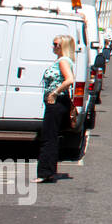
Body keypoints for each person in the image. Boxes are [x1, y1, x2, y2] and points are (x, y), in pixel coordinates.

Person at [37, 35, 77, 183]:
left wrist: (54, 93)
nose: (53, 46)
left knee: (48, 138)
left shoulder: (63, 61)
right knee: (50, 137)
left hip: (56, 102)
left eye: (56, 44)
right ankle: (49, 171)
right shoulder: (62, 60)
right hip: (56, 102)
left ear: (63, 46)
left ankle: (45, 172)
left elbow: (70, 79)